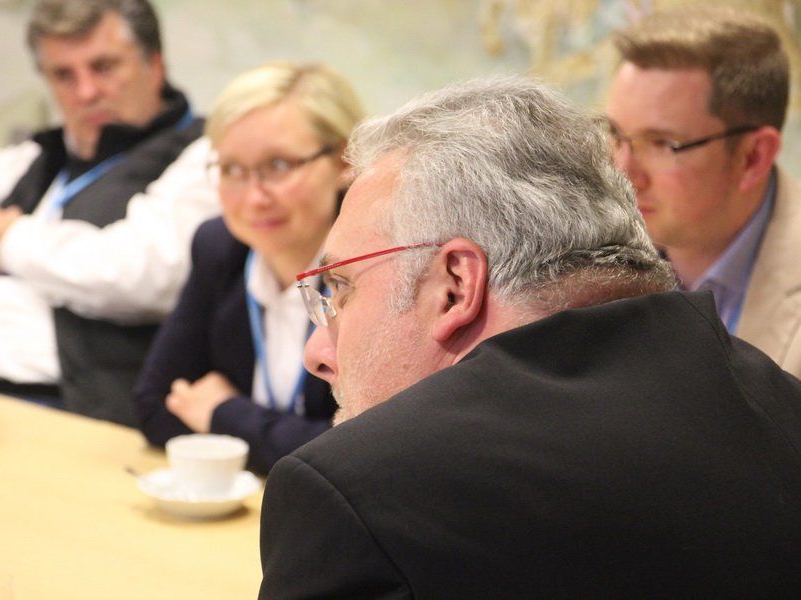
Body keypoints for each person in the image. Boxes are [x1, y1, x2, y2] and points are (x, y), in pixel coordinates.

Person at [258, 75, 801, 597]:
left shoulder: (356, 496)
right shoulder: (784, 408)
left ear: (455, 286)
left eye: (342, 289)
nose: (317, 353)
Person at [0, 0, 218, 426]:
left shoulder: (204, 154)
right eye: (64, 75)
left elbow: (144, 273)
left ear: (155, 64)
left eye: (104, 67)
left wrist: (6, 241)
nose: (85, 93)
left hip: (75, 407)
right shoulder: (56, 151)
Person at [134, 62, 365, 474]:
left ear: (344, 161)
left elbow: (363, 449)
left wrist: (224, 414)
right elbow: (156, 406)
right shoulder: (220, 248)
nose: (254, 198)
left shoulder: (373, 269)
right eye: (232, 170)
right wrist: (282, 437)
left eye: (278, 166)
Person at [605, 7, 801, 378]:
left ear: (753, 158)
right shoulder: (580, 261)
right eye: (615, 134)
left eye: (663, 144)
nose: (624, 173)